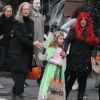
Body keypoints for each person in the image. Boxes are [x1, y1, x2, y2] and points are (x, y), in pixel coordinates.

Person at [9, 2, 42, 100]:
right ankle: (19, 94)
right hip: (17, 52)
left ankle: (15, 90)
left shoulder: (31, 22)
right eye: (24, 9)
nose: (26, 11)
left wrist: (32, 53)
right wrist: (33, 43)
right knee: (20, 73)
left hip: (27, 52)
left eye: (28, 9)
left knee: (24, 74)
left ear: (30, 10)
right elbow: (19, 38)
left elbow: (30, 38)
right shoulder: (17, 21)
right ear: (21, 10)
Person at [64, 12, 100, 100]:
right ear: (79, 20)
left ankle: (80, 98)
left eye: (85, 20)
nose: (83, 21)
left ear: (88, 21)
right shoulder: (74, 30)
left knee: (83, 82)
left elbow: (93, 44)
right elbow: (67, 40)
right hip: (75, 60)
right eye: (82, 20)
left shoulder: (90, 32)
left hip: (85, 60)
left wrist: (93, 48)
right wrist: (64, 51)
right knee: (70, 81)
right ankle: (64, 97)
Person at [38, 31, 66, 100]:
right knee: (49, 82)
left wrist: (63, 56)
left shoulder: (61, 49)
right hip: (51, 69)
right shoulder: (51, 49)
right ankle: (47, 96)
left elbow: (62, 59)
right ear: (56, 39)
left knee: (58, 84)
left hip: (59, 70)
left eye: (63, 39)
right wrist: (57, 62)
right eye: (60, 39)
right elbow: (48, 59)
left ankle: (56, 97)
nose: (62, 40)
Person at [0, 5, 14, 88]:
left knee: (10, 62)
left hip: (9, 44)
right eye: (8, 11)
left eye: (10, 11)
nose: (9, 13)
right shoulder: (1, 20)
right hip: (1, 44)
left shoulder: (12, 21)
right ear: (4, 11)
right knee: (0, 63)